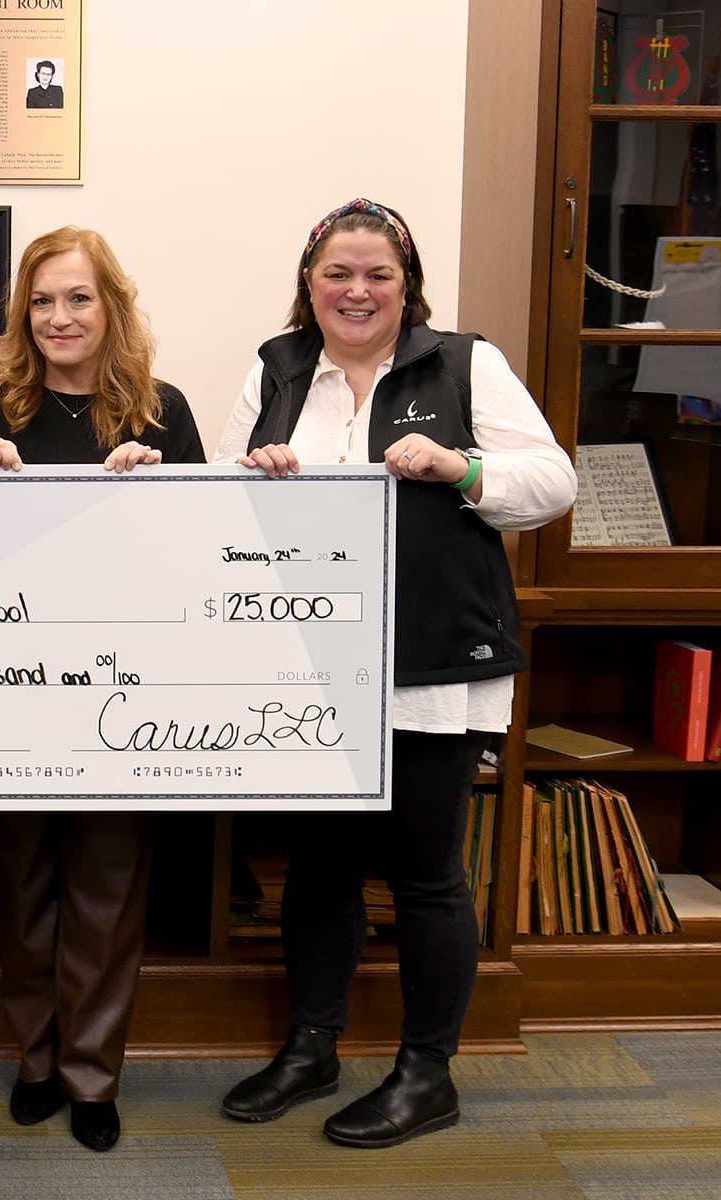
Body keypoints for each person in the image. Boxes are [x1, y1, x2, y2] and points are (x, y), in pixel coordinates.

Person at [213, 198, 575, 1148]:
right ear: (309, 283)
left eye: (378, 273)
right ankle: (313, 1046)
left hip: (430, 662)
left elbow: (553, 482)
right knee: (318, 869)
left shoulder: (463, 362)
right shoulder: (277, 366)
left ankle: (427, 1072)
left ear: (407, 284)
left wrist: (460, 468)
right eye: (338, 273)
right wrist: (258, 473)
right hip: (310, 666)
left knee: (423, 874)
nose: (357, 290)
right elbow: (225, 501)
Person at [0, 226, 204, 1152]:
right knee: (26, 883)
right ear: (24, 313)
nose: (59, 317)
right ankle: (37, 1058)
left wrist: (156, 493)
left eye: (79, 298)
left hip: (124, 696)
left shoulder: (162, 412)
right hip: (12, 694)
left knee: (107, 884)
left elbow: (198, 562)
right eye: (42, 301)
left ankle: (94, 1074)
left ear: (112, 307)